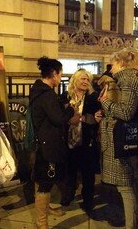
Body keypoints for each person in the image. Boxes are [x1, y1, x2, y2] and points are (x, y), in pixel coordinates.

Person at [95, 48, 138, 229]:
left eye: (113, 63)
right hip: (118, 139)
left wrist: (105, 102)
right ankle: (133, 219)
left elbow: (126, 112)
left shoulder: (129, 81)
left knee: (125, 185)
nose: (111, 67)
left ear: (122, 63)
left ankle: (131, 224)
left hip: (121, 141)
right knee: (127, 183)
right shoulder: (123, 80)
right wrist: (103, 112)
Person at [29, 56, 80, 228]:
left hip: (44, 143)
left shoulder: (40, 91)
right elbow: (58, 119)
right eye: (60, 74)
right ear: (53, 73)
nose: (60, 78)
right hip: (48, 146)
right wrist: (71, 109)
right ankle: (41, 222)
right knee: (45, 182)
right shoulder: (47, 94)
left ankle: (45, 209)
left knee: (43, 179)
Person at [59, 68, 101, 213]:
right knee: (69, 170)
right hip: (69, 139)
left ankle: (88, 199)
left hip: (86, 139)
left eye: (88, 79)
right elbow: (59, 116)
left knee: (87, 172)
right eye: (83, 78)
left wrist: (82, 118)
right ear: (75, 80)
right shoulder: (65, 96)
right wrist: (68, 119)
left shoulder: (93, 97)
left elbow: (97, 118)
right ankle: (68, 194)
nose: (85, 82)